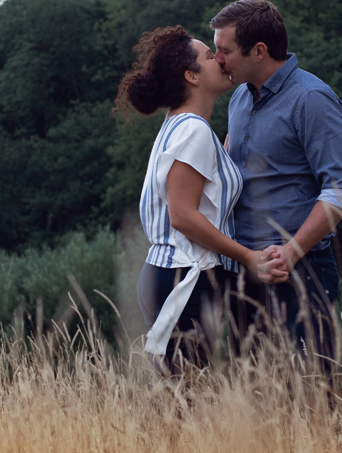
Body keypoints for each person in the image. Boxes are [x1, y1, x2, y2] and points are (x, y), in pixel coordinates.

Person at [116, 25, 288, 379]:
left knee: (178, 395)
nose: (220, 59)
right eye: (210, 56)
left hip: (174, 274)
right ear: (192, 75)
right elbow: (182, 216)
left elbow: (193, 194)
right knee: (181, 401)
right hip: (186, 278)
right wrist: (249, 257)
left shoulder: (180, 126)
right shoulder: (193, 130)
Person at [211, 0, 342, 398]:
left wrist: (291, 252)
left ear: (258, 51)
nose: (217, 59)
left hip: (302, 272)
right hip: (246, 273)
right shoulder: (240, 97)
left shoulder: (312, 98)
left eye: (224, 50)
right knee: (262, 407)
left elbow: (341, 190)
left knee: (316, 400)